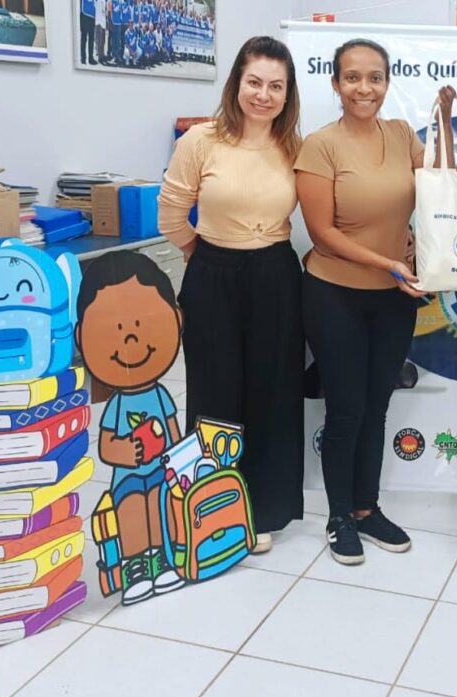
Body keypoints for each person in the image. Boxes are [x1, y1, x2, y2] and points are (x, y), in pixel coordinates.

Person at [295, 38, 455, 565]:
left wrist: (445, 123)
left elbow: (440, 190)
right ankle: (340, 516)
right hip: (334, 294)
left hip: (393, 297)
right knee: (346, 409)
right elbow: (321, 233)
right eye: (352, 77)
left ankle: (367, 508)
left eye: (375, 77)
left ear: (386, 82)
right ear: (336, 84)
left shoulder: (403, 134)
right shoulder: (320, 146)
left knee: (378, 406)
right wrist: (387, 262)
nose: (364, 88)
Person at [158, 36, 305, 554]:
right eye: (254, 82)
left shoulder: (294, 146)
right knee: (214, 392)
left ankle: (264, 509)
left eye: (276, 86)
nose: (264, 95)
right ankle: (213, 505)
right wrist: (200, 254)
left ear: (287, 94)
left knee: (273, 392)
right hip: (213, 273)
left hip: (275, 274)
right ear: (236, 83)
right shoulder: (201, 140)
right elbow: (170, 214)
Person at [76, 251, 185, 605]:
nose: (131, 341)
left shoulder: (161, 396)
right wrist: (125, 450)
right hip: (128, 478)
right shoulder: (118, 404)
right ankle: (136, 566)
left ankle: (163, 559)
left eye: (140, 326)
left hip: (162, 472)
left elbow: (173, 431)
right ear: (81, 337)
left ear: (176, 319)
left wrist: (180, 460)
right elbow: (107, 444)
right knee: (133, 508)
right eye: (119, 330)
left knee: (162, 505)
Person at [80, 0, 97, 66]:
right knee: (84, 38)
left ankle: (91, 58)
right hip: (85, 15)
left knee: (91, 38)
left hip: (92, 16)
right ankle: (83, 58)